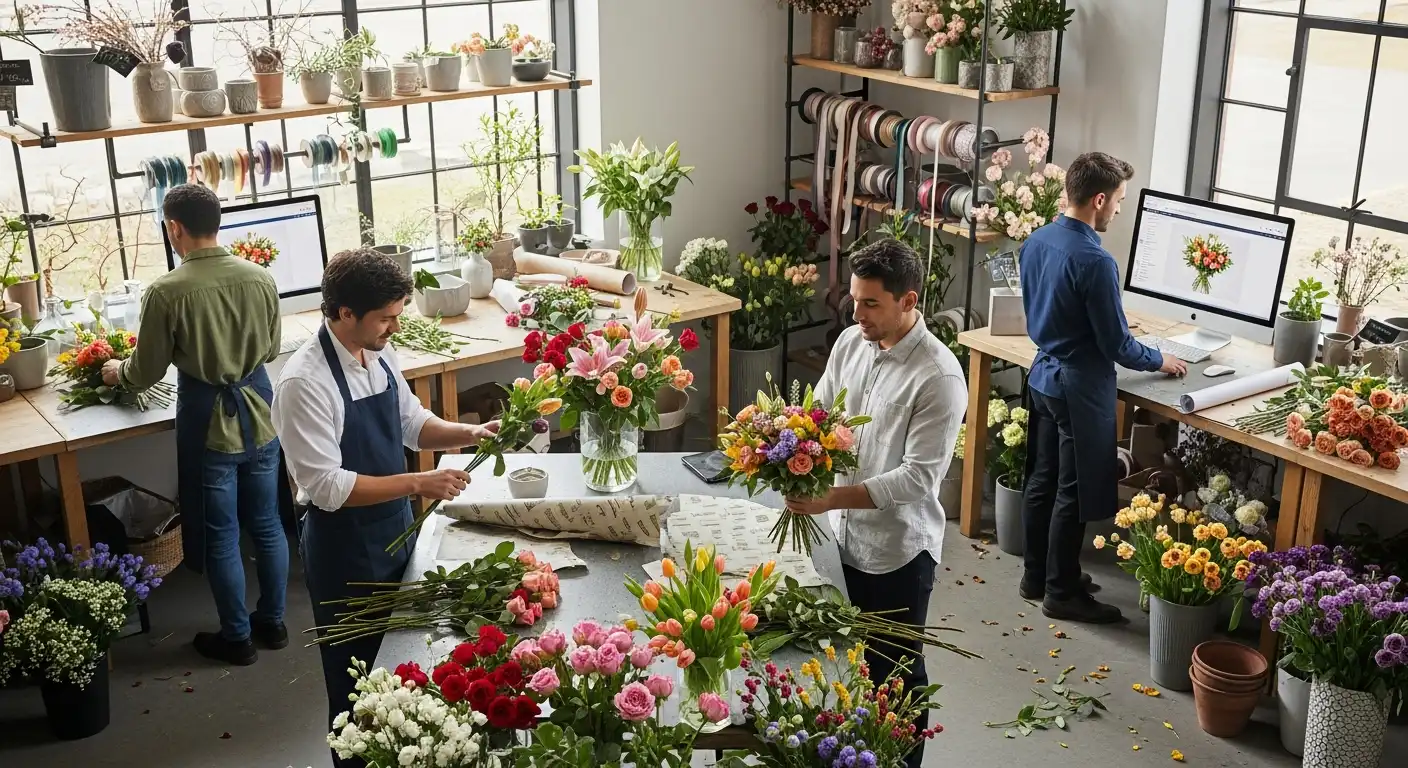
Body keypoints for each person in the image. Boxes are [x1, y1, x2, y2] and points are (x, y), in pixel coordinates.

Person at [271, 248, 499, 766]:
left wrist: (470, 431)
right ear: (343, 313)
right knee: (357, 680)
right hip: (345, 547)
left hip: (395, 528)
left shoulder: (377, 350)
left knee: (406, 667)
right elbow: (327, 486)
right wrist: (420, 480)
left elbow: (412, 423)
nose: (395, 327)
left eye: (398, 315)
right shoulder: (304, 383)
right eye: (386, 317)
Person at [784, 239, 966, 768]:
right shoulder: (849, 343)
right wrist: (786, 448)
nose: (857, 314)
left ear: (909, 301)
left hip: (897, 553)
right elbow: (820, 411)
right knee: (845, 667)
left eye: (871, 304)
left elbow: (917, 478)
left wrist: (829, 497)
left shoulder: (939, 376)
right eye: (854, 301)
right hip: (838, 538)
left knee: (897, 675)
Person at [101, 184, 289, 666]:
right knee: (267, 525)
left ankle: (238, 638)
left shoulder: (166, 291)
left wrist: (115, 372)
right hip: (262, 417)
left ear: (175, 228)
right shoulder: (260, 276)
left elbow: (145, 371)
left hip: (211, 426)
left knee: (223, 532)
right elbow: (269, 352)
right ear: (217, 222)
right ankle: (274, 623)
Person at [1018, 152, 1187, 624]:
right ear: (1098, 199)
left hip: (1043, 377)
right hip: (1079, 386)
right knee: (1073, 492)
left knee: (1043, 479)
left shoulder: (1037, 240)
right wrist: (1161, 359)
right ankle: (1062, 593)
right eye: (1119, 201)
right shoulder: (1095, 260)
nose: (1119, 209)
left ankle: (1039, 576)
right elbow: (1117, 345)